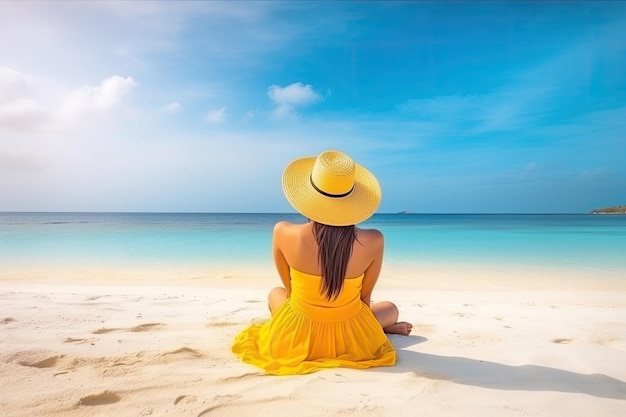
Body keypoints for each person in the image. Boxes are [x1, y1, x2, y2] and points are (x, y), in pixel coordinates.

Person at [231, 150, 412, 375]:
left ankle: (372, 329)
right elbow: (364, 300)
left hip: (300, 332)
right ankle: (383, 329)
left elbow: (290, 292)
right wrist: (368, 332)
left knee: (275, 294)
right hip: (349, 332)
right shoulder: (374, 240)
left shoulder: (282, 231)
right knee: (391, 309)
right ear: (353, 201)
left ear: (308, 197)